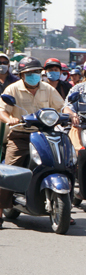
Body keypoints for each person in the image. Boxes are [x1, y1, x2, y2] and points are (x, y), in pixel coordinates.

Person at [0, 57, 68, 228]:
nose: (34, 75)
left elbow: (62, 106)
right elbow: (2, 111)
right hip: (20, 135)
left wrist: (70, 114)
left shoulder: (48, 89)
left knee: (62, 163)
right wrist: (10, 119)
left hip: (44, 135)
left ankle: (64, 207)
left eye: (37, 72)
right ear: (22, 75)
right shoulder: (13, 89)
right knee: (9, 170)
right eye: (30, 73)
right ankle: (0, 209)